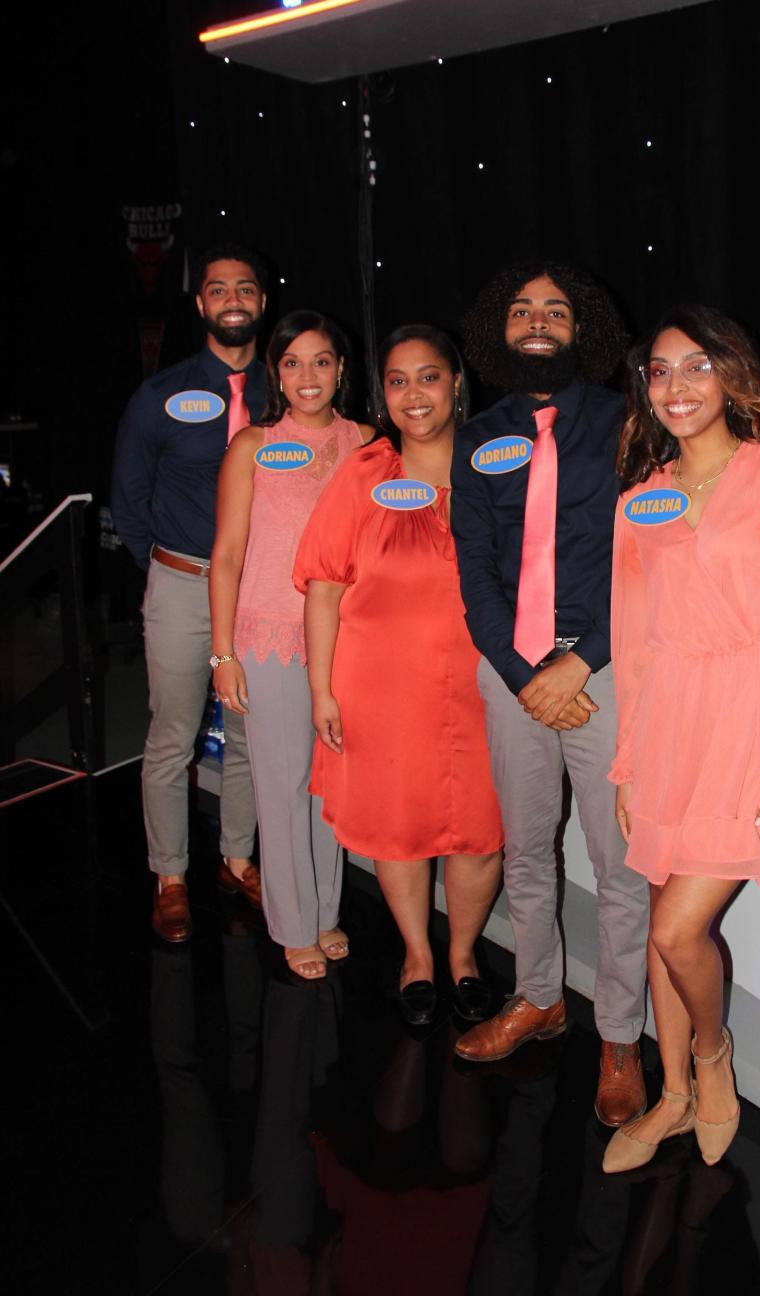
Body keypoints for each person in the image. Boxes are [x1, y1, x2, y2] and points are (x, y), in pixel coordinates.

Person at [602, 305, 760, 1174]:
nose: (677, 386)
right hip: (668, 729)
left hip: (751, 729)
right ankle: (671, 1095)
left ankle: (711, 1060)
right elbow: (632, 641)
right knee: (661, 919)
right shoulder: (642, 499)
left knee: (674, 930)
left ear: (733, 375)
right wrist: (628, 761)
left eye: (697, 366)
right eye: (660, 372)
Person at [450, 262, 650, 1129]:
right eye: (522, 308)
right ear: (501, 325)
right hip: (512, 674)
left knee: (619, 867)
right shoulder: (480, 433)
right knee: (527, 851)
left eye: (556, 310)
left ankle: (618, 1036)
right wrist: (524, 672)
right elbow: (478, 571)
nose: (537, 320)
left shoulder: (625, 425)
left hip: (604, 674)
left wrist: (581, 661)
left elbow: (645, 564)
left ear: (585, 329)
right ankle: (539, 998)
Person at [292, 325, 503, 1026]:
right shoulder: (364, 473)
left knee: (480, 829)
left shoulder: (496, 469)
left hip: (484, 687)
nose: (414, 394)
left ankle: (464, 955)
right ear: (383, 393)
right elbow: (322, 585)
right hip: (381, 686)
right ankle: (417, 953)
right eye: (398, 380)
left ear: (456, 384)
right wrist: (321, 688)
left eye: (429, 377)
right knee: (398, 830)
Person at [208, 311, 374, 979]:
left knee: (329, 780)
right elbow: (225, 556)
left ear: (341, 370)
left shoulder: (367, 442)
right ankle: (290, 922)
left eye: (322, 361)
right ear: (275, 372)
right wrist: (223, 655)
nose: (309, 376)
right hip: (270, 638)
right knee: (280, 784)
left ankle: (324, 909)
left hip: (347, 636)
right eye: (294, 362)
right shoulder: (252, 444)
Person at [112, 242, 268, 942]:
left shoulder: (286, 388)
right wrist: (171, 568)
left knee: (250, 736)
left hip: (262, 595)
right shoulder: (160, 395)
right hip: (182, 584)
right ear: (200, 303)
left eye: (244, 288)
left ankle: (237, 860)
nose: (231, 298)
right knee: (172, 737)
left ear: (262, 302)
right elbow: (130, 498)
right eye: (217, 289)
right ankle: (170, 875)